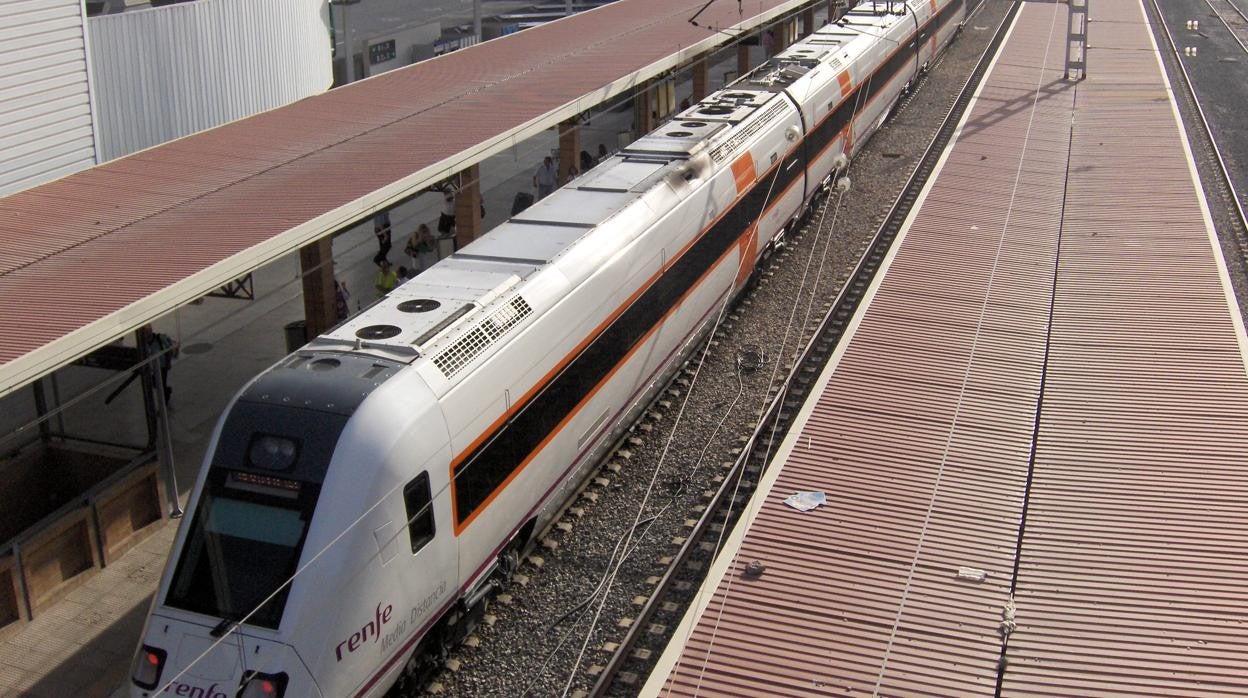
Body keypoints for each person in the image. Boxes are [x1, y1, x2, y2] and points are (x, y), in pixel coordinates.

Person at [145, 327, 178, 406]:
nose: (146, 334)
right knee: (155, 383)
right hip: (152, 368)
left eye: (147, 331)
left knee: (161, 385)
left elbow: (168, 350)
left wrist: (168, 362)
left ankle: (164, 402)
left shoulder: (159, 339)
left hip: (162, 366)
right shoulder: (144, 344)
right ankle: (167, 391)